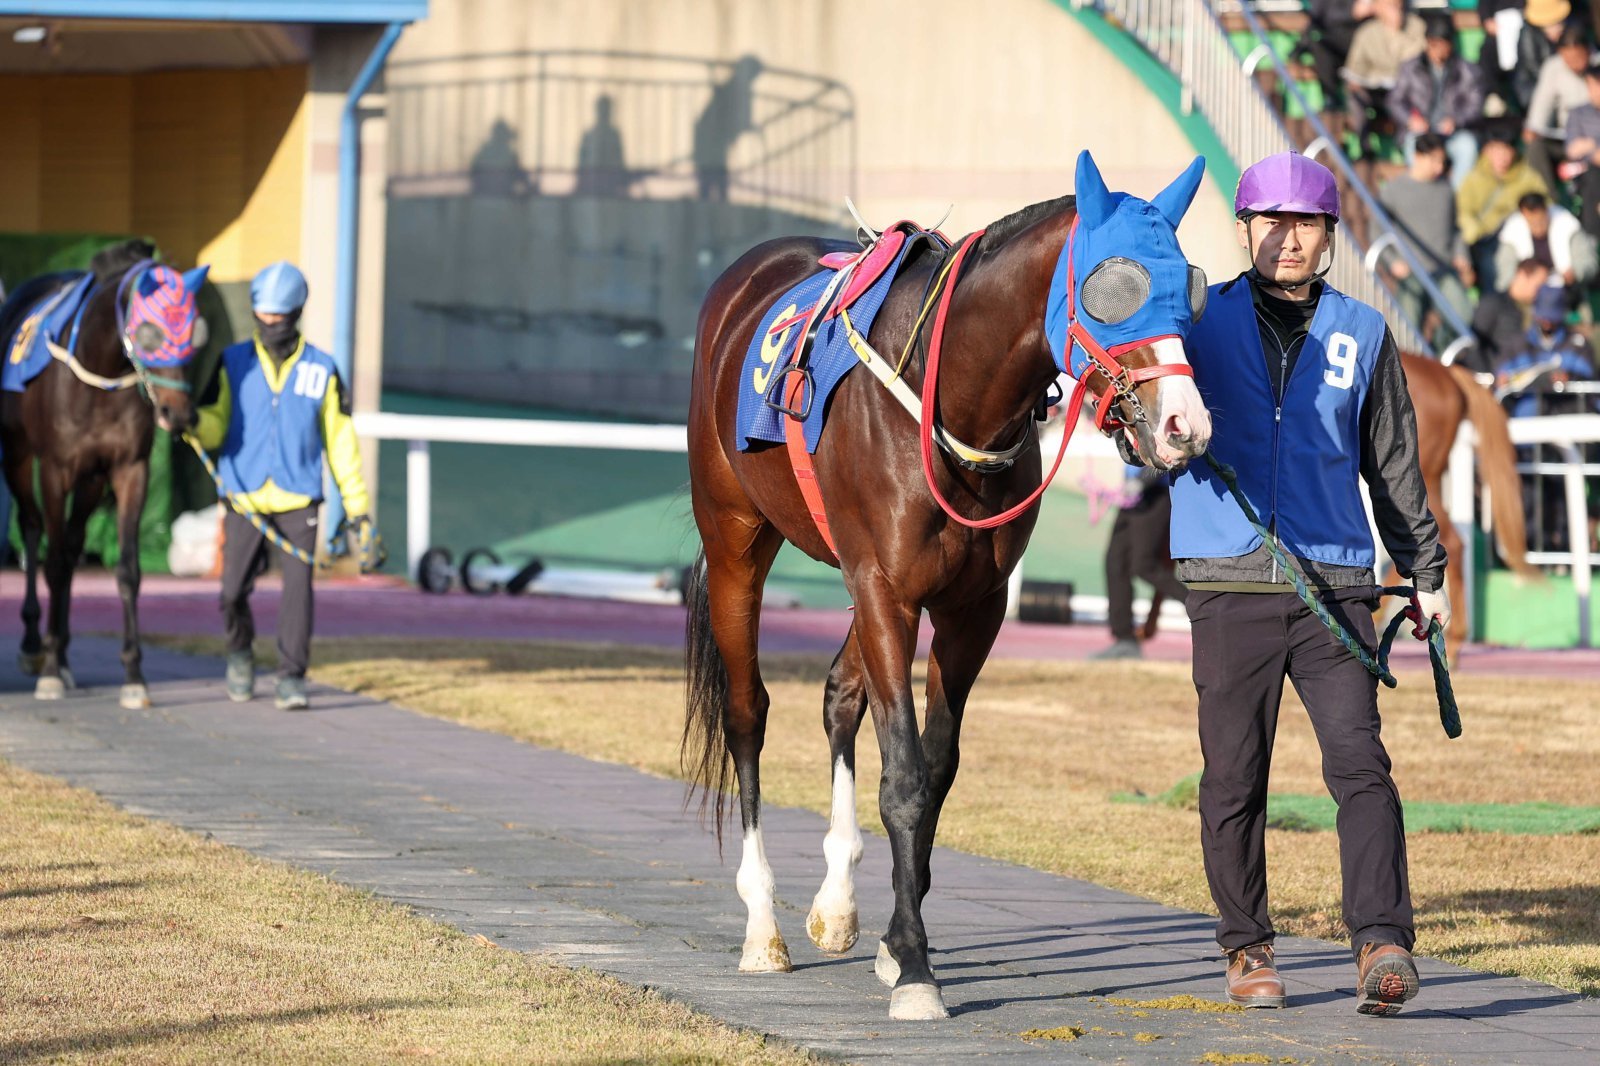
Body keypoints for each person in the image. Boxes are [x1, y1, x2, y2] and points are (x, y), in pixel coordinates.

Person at [1120, 153, 1448, 1016]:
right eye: (1271, 222)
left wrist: (1425, 573)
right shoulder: (1195, 320)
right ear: (1244, 230)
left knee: (1361, 766)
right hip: (1227, 580)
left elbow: (1394, 468)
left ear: (1331, 235)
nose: (1287, 238)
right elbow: (1139, 406)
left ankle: (1382, 942)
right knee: (1233, 775)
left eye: (1306, 224)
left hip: (1335, 582)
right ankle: (1246, 948)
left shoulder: (1364, 333)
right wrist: (1141, 440)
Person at [196, 261, 384, 711]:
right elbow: (214, 425)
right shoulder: (232, 362)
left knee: (298, 592)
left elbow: (341, 444)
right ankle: (239, 654)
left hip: (299, 499)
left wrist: (357, 510)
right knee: (231, 592)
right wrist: (190, 422)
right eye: (264, 317)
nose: (271, 325)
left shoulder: (322, 369)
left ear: (297, 312)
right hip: (243, 495)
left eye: (280, 318)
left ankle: (291, 676)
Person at [1378, 131, 1475, 334]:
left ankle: (1443, 360)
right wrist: (1392, 260)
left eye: (1442, 161)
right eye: (1435, 161)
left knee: (1464, 319)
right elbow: (1376, 229)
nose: (1440, 167)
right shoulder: (1394, 190)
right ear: (1418, 157)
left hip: (1443, 270)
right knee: (1406, 327)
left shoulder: (1446, 189)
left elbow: (1455, 229)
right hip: (1411, 272)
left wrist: (1461, 254)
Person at [1089, 465, 1188, 661]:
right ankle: (1125, 640)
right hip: (1131, 496)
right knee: (1115, 564)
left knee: (1144, 566)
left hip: (1155, 495)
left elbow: (1166, 449)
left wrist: (1142, 481)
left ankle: (1198, 605)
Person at [1388, 14, 1483, 185]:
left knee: (1467, 148)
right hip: (1422, 132)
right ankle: (1423, 191)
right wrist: (1410, 119)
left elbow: (1475, 106)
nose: (1436, 50)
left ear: (1450, 44)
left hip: (1452, 133)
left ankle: (1452, 197)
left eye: (1440, 44)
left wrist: (1456, 121)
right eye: (1432, 44)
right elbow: (1395, 101)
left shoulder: (1467, 70)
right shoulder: (1410, 68)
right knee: (1413, 147)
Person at [1458, 122, 1551, 286]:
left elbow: (1545, 203)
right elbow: (1464, 211)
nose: (1502, 156)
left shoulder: (1527, 176)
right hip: (1485, 240)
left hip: (1520, 240)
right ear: (1487, 150)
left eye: (1506, 150)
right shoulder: (1474, 178)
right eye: (1496, 150)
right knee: (1490, 266)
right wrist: (1475, 232)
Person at [1523, 21, 1593, 193]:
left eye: (1578, 58)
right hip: (1564, 139)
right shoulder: (1553, 68)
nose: (1573, 64)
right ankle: (1551, 202)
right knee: (1535, 146)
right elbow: (1541, 106)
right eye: (1568, 59)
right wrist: (1533, 128)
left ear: (1588, 51)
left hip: (1594, 141)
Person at [1344, 0, 1427, 145]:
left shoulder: (1416, 26)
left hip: (1405, 92)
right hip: (1377, 90)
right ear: (1377, 8)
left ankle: (1403, 144)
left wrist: (1396, 32)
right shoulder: (1367, 32)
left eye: (1397, 5)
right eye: (1389, 5)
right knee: (1354, 96)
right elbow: (1356, 67)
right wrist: (1356, 81)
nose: (1395, 9)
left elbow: (1414, 61)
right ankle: (1364, 148)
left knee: (1403, 100)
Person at [1493, 191, 1599, 289]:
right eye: (1533, 223)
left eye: (1541, 221)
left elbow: (1589, 263)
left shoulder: (1567, 225)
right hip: (1529, 299)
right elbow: (1505, 278)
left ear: (1546, 211)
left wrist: (1575, 273)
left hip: (1568, 292)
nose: (1538, 227)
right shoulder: (1512, 234)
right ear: (1523, 216)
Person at [1468, 256, 1554, 373]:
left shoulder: (1538, 311)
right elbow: (1473, 343)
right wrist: (1489, 378)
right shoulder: (1493, 304)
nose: (1542, 292)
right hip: (1498, 381)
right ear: (1522, 275)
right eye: (1539, 285)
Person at [1513, 0, 1573, 113]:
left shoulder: (1567, 32)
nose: (1560, 26)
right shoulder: (1528, 35)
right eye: (1555, 23)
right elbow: (1534, 69)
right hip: (1534, 89)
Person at [1563, 63, 1600, 238]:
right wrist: (1594, 148)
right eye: (1591, 86)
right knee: (1592, 176)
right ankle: (1591, 239)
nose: (1594, 91)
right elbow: (1572, 149)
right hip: (1587, 172)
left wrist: (1588, 144)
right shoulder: (1579, 113)